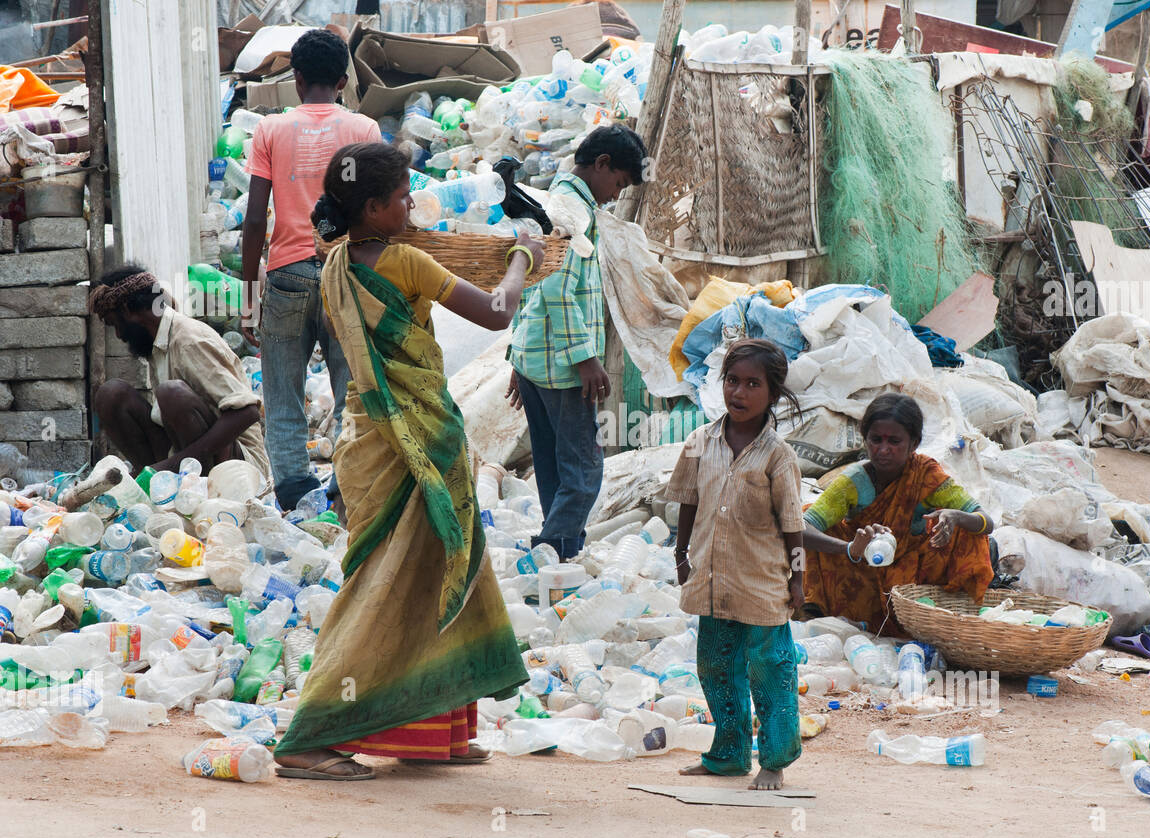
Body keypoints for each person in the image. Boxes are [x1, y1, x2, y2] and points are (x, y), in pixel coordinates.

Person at [274, 142, 542, 779]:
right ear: (372, 207)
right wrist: (523, 257)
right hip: (412, 444)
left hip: (368, 441)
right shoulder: (405, 263)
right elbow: (498, 312)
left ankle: (433, 729)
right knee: (383, 587)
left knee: (440, 567)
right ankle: (311, 736)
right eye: (401, 198)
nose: (411, 204)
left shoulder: (333, 260)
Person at [242, 27, 381, 511]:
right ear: (343, 81)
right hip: (347, 274)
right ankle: (346, 492)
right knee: (353, 393)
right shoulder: (363, 130)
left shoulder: (270, 130)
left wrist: (247, 295)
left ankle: (295, 499)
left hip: (287, 273)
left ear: (297, 81)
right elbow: (376, 211)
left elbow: (255, 218)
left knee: (283, 398)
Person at [664, 339, 805, 792]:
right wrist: (681, 553)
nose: (738, 393)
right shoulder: (699, 443)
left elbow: (793, 526)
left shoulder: (778, 456)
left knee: (770, 672)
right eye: (731, 381)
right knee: (716, 669)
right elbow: (687, 501)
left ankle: (775, 760)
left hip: (761, 585)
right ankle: (727, 754)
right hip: (712, 580)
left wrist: (799, 579)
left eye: (752, 384)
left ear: (773, 393)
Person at [505, 123, 647, 560]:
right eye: (618, 183)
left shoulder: (555, 202)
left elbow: (528, 283)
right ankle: (550, 548)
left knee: (552, 465)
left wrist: (518, 356)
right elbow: (553, 288)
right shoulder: (572, 211)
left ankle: (560, 553)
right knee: (585, 468)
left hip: (537, 361)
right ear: (602, 165)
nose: (615, 194)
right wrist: (586, 358)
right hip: (563, 368)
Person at [800, 393, 995, 636]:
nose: (883, 450)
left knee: (971, 531)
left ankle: (950, 616)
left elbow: (986, 520)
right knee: (812, 519)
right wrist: (850, 548)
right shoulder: (853, 482)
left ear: (913, 443)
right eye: (876, 440)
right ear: (865, 440)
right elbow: (800, 528)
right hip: (864, 572)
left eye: (894, 441)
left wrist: (955, 516)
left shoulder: (926, 475)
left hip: (912, 581)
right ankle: (821, 611)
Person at [89, 265, 271, 481]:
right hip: (188, 455)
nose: (119, 335)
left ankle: (189, 484)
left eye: (116, 324)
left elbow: (247, 412)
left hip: (239, 468)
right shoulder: (156, 343)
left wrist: (174, 463)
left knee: (171, 393)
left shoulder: (188, 340)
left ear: (128, 311)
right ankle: (155, 485)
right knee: (111, 395)